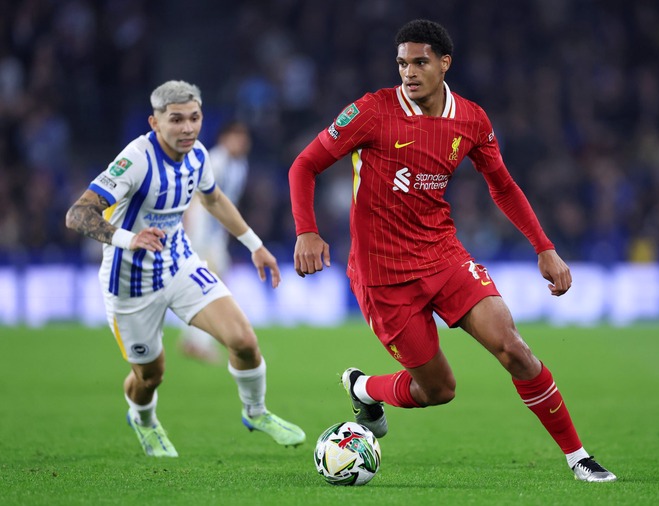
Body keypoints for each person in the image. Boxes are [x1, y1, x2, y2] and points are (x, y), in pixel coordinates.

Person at [288, 20, 615, 482]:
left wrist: (544, 248)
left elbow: (502, 186)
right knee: (439, 389)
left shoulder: (472, 119)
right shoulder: (372, 111)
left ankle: (578, 457)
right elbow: (305, 165)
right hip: (383, 274)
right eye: (402, 63)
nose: (409, 72)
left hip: (443, 255)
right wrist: (307, 231)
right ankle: (364, 388)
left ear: (445, 64)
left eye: (420, 62)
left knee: (515, 349)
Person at [66, 80, 305, 457]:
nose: (187, 128)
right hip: (129, 282)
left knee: (243, 340)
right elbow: (78, 214)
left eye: (194, 118)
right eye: (176, 119)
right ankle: (143, 419)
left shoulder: (199, 156)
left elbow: (213, 199)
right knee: (150, 376)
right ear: (155, 122)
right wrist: (131, 239)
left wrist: (255, 245)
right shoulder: (136, 159)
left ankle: (256, 412)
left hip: (179, 264)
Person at [179, 121, 252, 364]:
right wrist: (191, 229)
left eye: (244, 139)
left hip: (215, 235)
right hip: (200, 231)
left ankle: (194, 340)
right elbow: (195, 195)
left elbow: (228, 202)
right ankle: (198, 343)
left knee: (210, 287)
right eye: (237, 138)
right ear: (225, 138)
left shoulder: (240, 165)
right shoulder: (216, 160)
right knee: (212, 287)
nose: (242, 144)